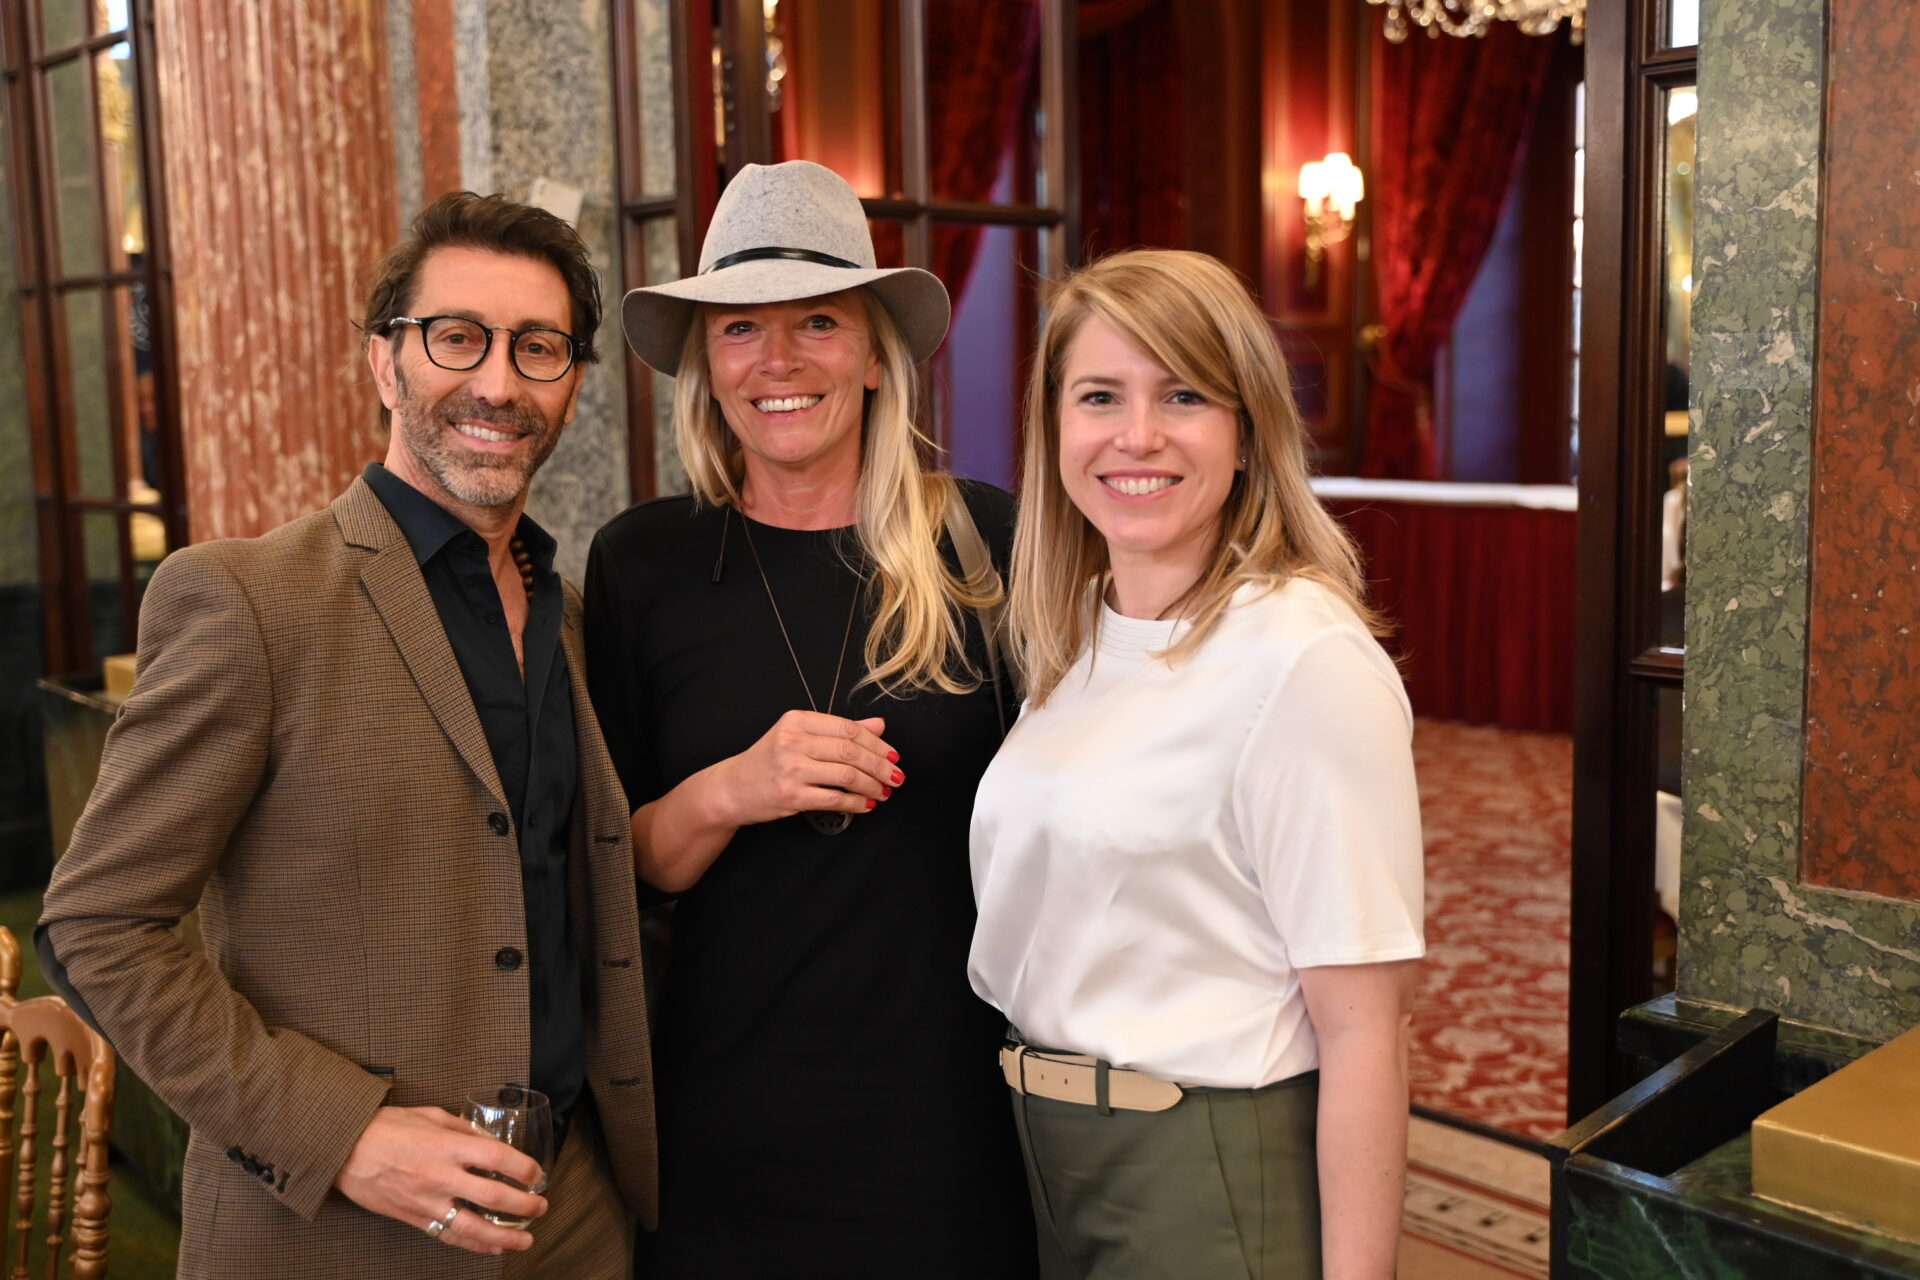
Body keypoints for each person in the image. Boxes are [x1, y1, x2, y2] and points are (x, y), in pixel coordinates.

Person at [37, 191, 657, 1278]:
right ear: (386, 363)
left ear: (574, 384)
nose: (499, 382)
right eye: (457, 337)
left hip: (573, 1218)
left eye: (539, 348)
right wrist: (347, 1134)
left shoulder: (561, 610)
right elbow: (98, 924)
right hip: (331, 1232)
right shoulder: (246, 600)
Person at [586, 159, 1035, 1277]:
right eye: (740, 327)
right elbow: (615, 859)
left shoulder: (983, 540)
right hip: (726, 1111)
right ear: (706, 365)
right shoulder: (645, 562)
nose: (777, 361)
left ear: (879, 354)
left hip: (950, 1109)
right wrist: (731, 789)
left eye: (819, 322)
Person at [969, 249, 1425, 1279]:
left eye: (1183, 393)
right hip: (1045, 1158)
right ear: (1054, 427)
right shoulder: (1072, 634)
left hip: (1205, 1167)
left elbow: (1366, 1031)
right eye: (1099, 395)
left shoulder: (1302, 657)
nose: (1138, 435)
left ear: (1246, 429)